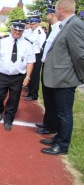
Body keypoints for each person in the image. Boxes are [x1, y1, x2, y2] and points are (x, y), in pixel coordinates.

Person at [40, 0, 84, 155]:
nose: (54, 12)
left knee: (64, 113)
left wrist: (80, 77)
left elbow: (80, 55)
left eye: (56, 9)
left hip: (65, 79)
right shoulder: (67, 24)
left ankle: (63, 145)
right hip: (59, 78)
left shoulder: (74, 25)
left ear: (61, 10)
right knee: (60, 112)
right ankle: (58, 137)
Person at [0, 20, 35, 131]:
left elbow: (30, 62)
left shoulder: (28, 44)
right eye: (15, 30)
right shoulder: (2, 41)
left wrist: (28, 76)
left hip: (17, 77)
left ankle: (8, 119)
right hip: (2, 75)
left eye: (20, 30)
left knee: (14, 99)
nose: (17, 32)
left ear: (23, 30)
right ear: (11, 29)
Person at [35, 7, 61, 135]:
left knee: (51, 99)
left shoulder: (59, 28)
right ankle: (47, 123)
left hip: (52, 67)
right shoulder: (53, 28)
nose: (46, 16)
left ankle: (51, 126)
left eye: (47, 14)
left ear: (52, 14)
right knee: (47, 97)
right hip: (46, 65)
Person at [24, 18, 46, 101]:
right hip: (31, 55)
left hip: (37, 55)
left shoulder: (40, 33)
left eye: (32, 24)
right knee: (30, 75)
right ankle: (30, 92)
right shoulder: (33, 32)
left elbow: (41, 46)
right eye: (30, 24)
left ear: (37, 24)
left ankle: (34, 94)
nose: (31, 25)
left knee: (34, 76)